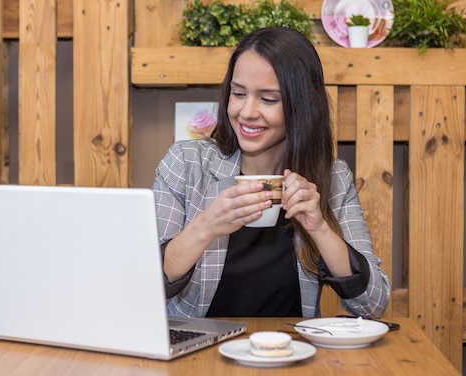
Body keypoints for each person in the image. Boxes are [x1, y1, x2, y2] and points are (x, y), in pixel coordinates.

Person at [152, 27, 390, 319]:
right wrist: (205, 228)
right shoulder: (187, 163)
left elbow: (372, 304)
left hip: (290, 354)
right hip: (199, 354)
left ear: (301, 106)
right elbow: (145, 284)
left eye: (268, 99)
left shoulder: (332, 177)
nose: (247, 112)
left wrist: (320, 228)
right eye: (239, 94)